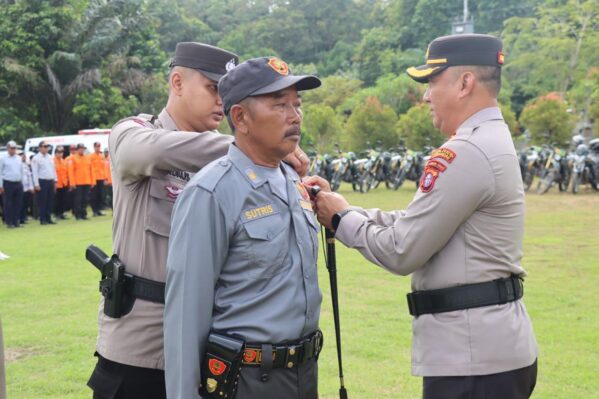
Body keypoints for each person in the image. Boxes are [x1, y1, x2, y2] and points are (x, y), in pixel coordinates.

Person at [310, 34, 538, 399]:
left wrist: (341, 221)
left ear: (465, 83)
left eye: (432, 81)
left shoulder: (467, 150)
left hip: (473, 360)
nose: (426, 95)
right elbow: (418, 220)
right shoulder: (490, 139)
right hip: (486, 352)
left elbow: (403, 249)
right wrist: (348, 209)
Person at [87, 43, 309, 399]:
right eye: (212, 88)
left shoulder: (234, 162)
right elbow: (158, 150)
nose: (221, 100)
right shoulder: (133, 133)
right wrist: (255, 145)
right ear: (177, 82)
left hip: (210, 348)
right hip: (142, 346)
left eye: (226, 92)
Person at [165, 56, 322, 399]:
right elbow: (184, 316)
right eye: (279, 105)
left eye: (297, 104)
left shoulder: (294, 183)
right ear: (240, 118)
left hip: (303, 374)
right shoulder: (212, 191)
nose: (295, 116)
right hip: (246, 380)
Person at [31, 140, 58, 225]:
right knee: (43, 201)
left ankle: (48, 217)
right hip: (42, 181)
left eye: (47, 147)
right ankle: (42, 219)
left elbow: (53, 170)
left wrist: (55, 180)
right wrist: (36, 184)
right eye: (45, 146)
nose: (46, 148)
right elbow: (34, 172)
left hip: (50, 180)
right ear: (39, 148)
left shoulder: (50, 157)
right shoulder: (36, 158)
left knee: (50, 201)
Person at [0, 141, 24, 228]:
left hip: (18, 182)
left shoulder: (18, 158)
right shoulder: (3, 159)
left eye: (14, 148)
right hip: (8, 183)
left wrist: (22, 182)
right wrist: (1, 185)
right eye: (11, 148)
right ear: (8, 148)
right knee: (8, 203)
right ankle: (9, 222)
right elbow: (0, 172)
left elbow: (21, 171)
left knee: (18, 203)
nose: (13, 150)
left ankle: (16, 221)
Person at [68, 143, 94, 220]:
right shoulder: (72, 158)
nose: (82, 150)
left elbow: (91, 170)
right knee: (78, 199)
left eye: (83, 148)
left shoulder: (87, 158)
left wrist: (93, 181)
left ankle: (83, 214)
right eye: (80, 148)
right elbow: (70, 171)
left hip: (87, 181)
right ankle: (78, 215)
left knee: (85, 199)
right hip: (78, 182)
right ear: (77, 149)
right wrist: (72, 183)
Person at [89, 141, 107, 216]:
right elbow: (89, 168)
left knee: (100, 195)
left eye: (99, 146)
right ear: (94, 147)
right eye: (96, 146)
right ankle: (94, 210)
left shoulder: (102, 156)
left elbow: (104, 168)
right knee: (94, 195)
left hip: (101, 178)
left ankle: (99, 210)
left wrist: (105, 178)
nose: (98, 148)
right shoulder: (91, 156)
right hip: (94, 178)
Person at [54, 146, 69, 219]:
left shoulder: (64, 161)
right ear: (56, 153)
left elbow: (66, 172)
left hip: (64, 183)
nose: (60, 154)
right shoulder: (52, 161)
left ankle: (62, 213)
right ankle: (57, 214)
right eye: (59, 152)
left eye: (62, 152)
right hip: (57, 184)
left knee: (63, 199)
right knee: (57, 200)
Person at [20, 152, 34, 225]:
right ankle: (20, 218)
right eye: (22, 155)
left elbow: (29, 176)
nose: (23, 157)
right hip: (20, 187)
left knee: (25, 204)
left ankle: (24, 217)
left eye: (24, 155)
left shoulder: (26, 165)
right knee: (20, 204)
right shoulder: (18, 165)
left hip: (27, 187)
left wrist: (30, 187)